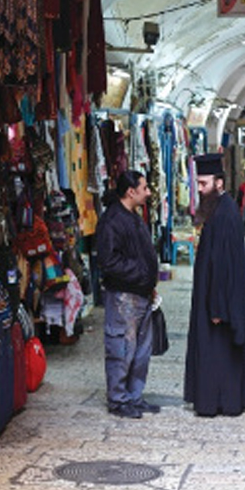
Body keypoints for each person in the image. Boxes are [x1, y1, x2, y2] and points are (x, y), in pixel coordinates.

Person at [184, 153, 245, 417]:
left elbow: (224, 266)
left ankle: (221, 401)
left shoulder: (225, 214)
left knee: (219, 352)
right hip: (216, 298)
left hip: (219, 301)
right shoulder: (220, 209)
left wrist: (217, 307)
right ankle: (221, 399)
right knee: (218, 352)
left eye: (204, 184)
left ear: (219, 183)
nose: (201, 189)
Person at [96, 170, 161, 419]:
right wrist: (140, 274)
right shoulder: (112, 220)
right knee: (121, 348)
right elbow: (109, 261)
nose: (148, 192)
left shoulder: (134, 216)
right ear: (130, 191)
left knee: (140, 351)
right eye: (144, 188)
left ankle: (134, 396)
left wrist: (148, 283)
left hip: (141, 293)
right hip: (124, 296)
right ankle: (118, 400)